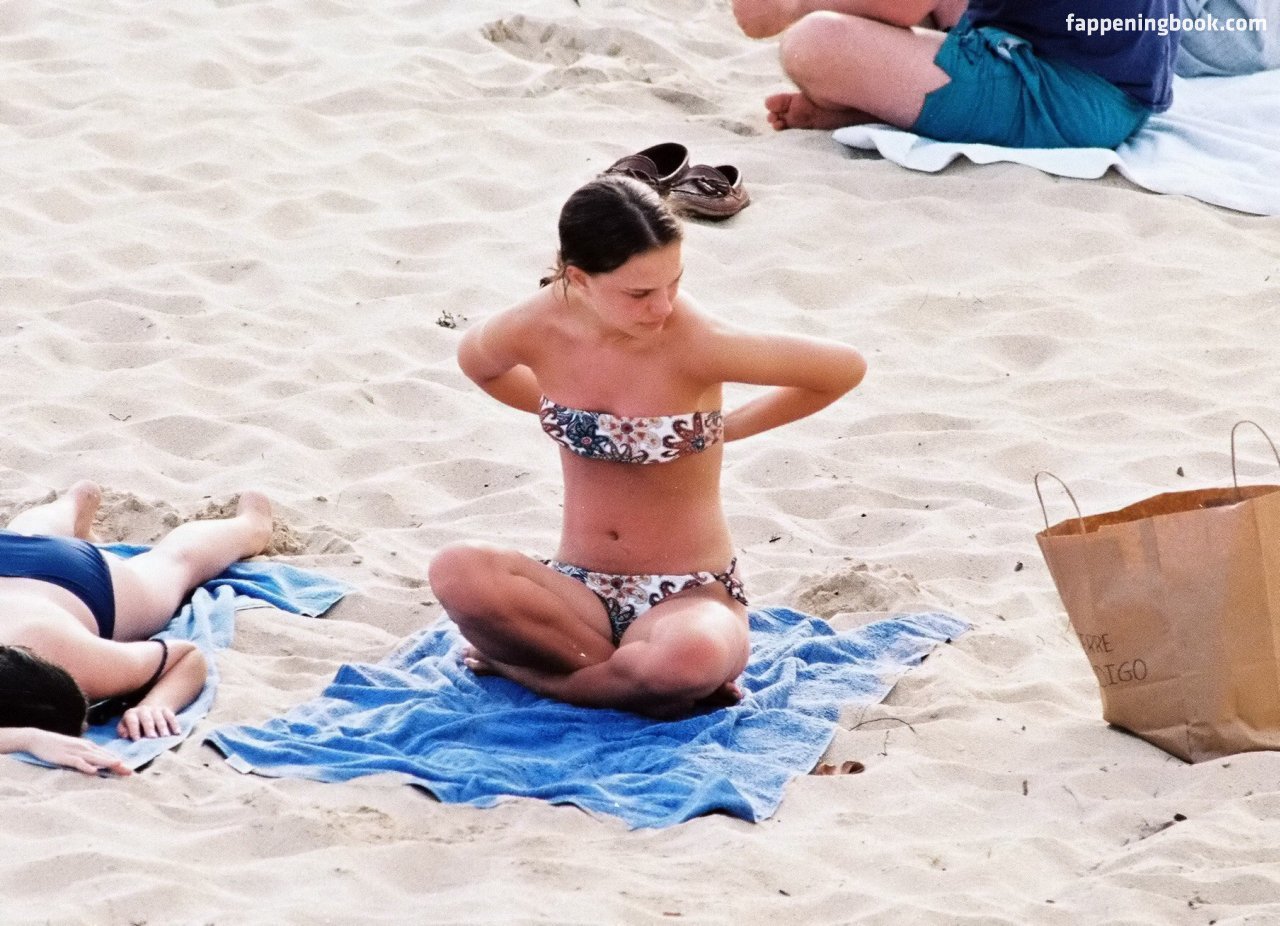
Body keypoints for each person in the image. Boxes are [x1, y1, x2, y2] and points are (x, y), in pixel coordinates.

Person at [428, 175, 866, 719]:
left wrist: (727, 428)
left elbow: (843, 368)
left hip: (688, 597)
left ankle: (538, 676)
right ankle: (622, 682)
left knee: (689, 658)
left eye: (673, 283)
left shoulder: (697, 341)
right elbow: (478, 363)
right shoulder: (535, 327)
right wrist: (554, 410)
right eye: (639, 294)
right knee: (457, 571)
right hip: (576, 591)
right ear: (578, 279)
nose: (661, 307)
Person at [0, 481, 273, 775]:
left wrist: (158, 703)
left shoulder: (86, 663)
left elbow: (186, 656)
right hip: (20, 554)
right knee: (30, 534)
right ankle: (74, 502)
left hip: (78, 581)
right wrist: (29, 738)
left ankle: (253, 525)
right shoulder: (75, 658)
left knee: (177, 562)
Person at [732, 0, 1179, 149]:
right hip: (1109, 71)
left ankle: (877, 104)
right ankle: (881, 103)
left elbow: (901, 7)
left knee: (814, 42)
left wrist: (785, 7)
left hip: (1075, 95)